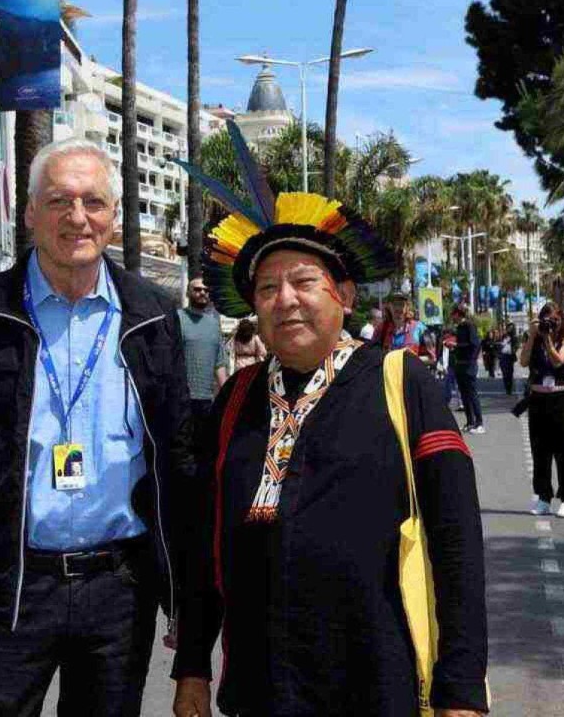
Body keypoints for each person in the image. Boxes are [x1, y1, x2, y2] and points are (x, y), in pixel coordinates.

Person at [168, 155, 488, 717]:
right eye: (267, 288)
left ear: (342, 293)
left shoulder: (402, 382)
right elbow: (205, 542)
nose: (285, 298)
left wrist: (460, 687)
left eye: (303, 281)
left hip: (374, 684)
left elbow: (456, 541)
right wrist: (192, 664)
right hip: (258, 689)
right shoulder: (236, 397)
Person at [0, 138, 193, 716]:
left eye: (93, 202)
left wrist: (184, 593)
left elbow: (178, 461)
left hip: (119, 590)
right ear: (31, 213)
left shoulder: (152, 314)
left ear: (113, 215)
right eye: (60, 201)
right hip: (11, 588)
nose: (77, 217)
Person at [519, 302, 564, 519]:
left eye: (553, 320)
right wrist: (532, 336)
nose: (550, 324)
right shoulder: (534, 339)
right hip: (538, 401)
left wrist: (546, 340)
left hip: (560, 400)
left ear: (561, 320)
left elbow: (557, 361)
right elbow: (523, 361)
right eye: (546, 319)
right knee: (540, 453)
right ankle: (543, 497)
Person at [179, 277, 229, 428]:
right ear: (188, 293)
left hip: (206, 400)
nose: (202, 293)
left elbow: (219, 363)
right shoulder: (178, 318)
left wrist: (228, 395)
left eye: (206, 290)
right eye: (197, 289)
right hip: (182, 398)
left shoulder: (214, 324)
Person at [450, 305, 484, 434]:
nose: (452, 317)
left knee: (472, 394)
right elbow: (462, 346)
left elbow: (475, 344)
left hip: (469, 365)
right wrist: (455, 348)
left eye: (453, 314)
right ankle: (470, 422)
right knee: (464, 394)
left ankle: (479, 423)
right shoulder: (458, 328)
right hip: (460, 364)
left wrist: (458, 346)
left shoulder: (469, 326)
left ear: (458, 314)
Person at [498, 323, 519, 396]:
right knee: (504, 373)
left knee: (509, 373)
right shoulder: (503, 336)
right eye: (508, 328)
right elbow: (499, 345)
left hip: (509, 357)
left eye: (510, 328)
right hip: (503, 357)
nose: (509, 329)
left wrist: (511, 349)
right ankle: (507, 388)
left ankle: (509, 389)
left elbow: (516, 346)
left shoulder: (514, 337)